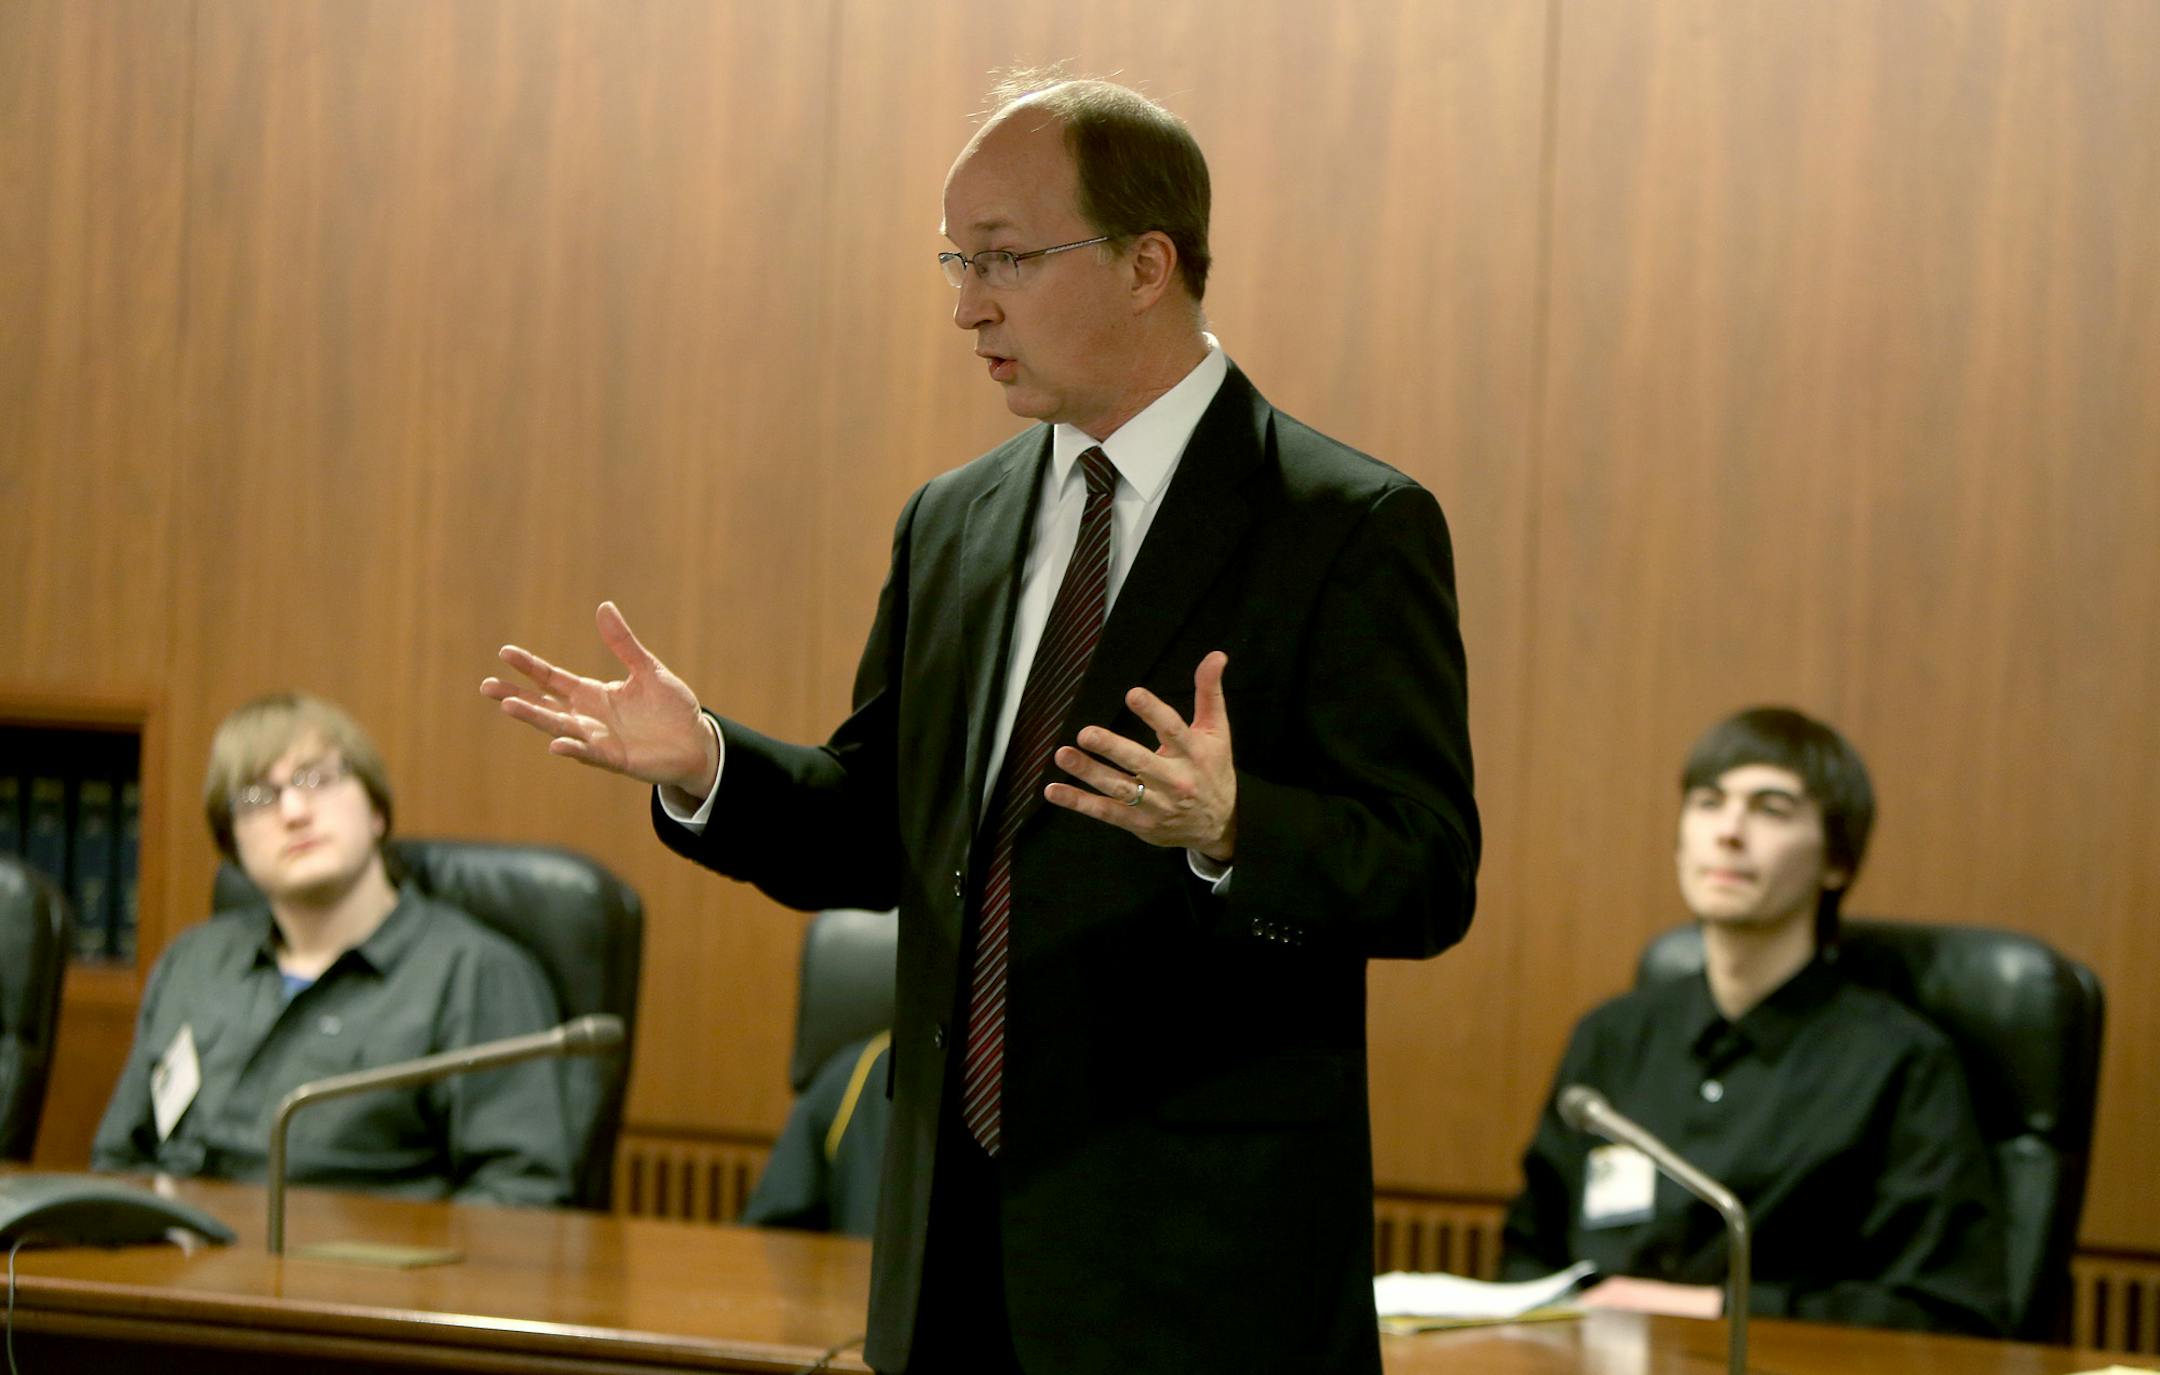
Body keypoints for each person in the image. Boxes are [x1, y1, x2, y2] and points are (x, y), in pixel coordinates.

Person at [485, 71, 1478, 1374]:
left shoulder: (1345, 524)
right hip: (949, 1265)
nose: (968, 305)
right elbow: (877, 830)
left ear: (1146, 263)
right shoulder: (951, 520)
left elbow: (1426, 873)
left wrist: (1235, 828)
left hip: (1200, 1280)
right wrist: (710, 765)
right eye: (957, 260)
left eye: (1005, 258)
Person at [1499, 707, 2008, 1335]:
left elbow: (1945, 1311)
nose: (1729, 832)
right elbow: (1526, 1257)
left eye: (1771, 809)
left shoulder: (1900, 1063)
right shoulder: (1612, 1038)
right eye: (1709, 803)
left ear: (1836, 863)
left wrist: (1716, 1310)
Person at [93, 692, 576, 1206]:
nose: (294, 811)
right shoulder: (192, 963)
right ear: (231, 843)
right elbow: (120, 1161)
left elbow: (521, 1195)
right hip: (176, 1270)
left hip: (358, 1276)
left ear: (376, 811)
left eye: (315, 779)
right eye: (257, 797)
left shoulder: (475, 974)